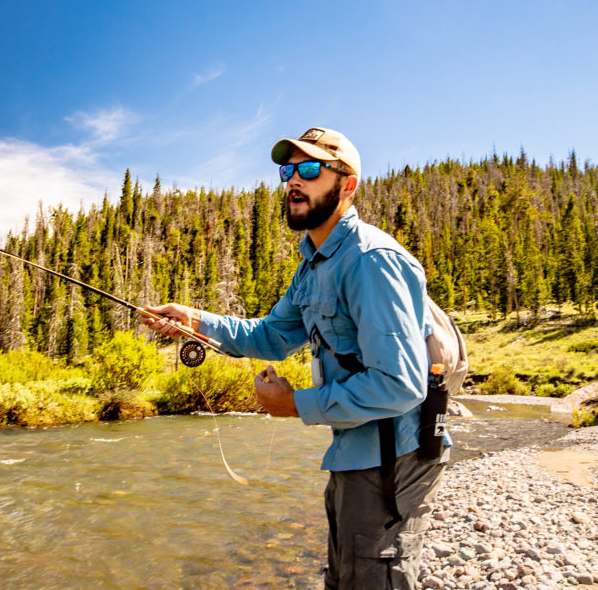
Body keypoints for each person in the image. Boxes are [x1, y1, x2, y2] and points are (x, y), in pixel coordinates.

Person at [143, 127, 446, 590]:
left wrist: (296, 405)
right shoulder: (314, 264)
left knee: (373, 578)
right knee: (343, 578)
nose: (293, 182)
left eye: (309, 169)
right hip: (354, 452)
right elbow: (270, 335)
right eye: (289, 171)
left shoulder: (371, 259)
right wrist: (195, 320)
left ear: (347, 185)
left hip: (394, 457)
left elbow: (401, 384)